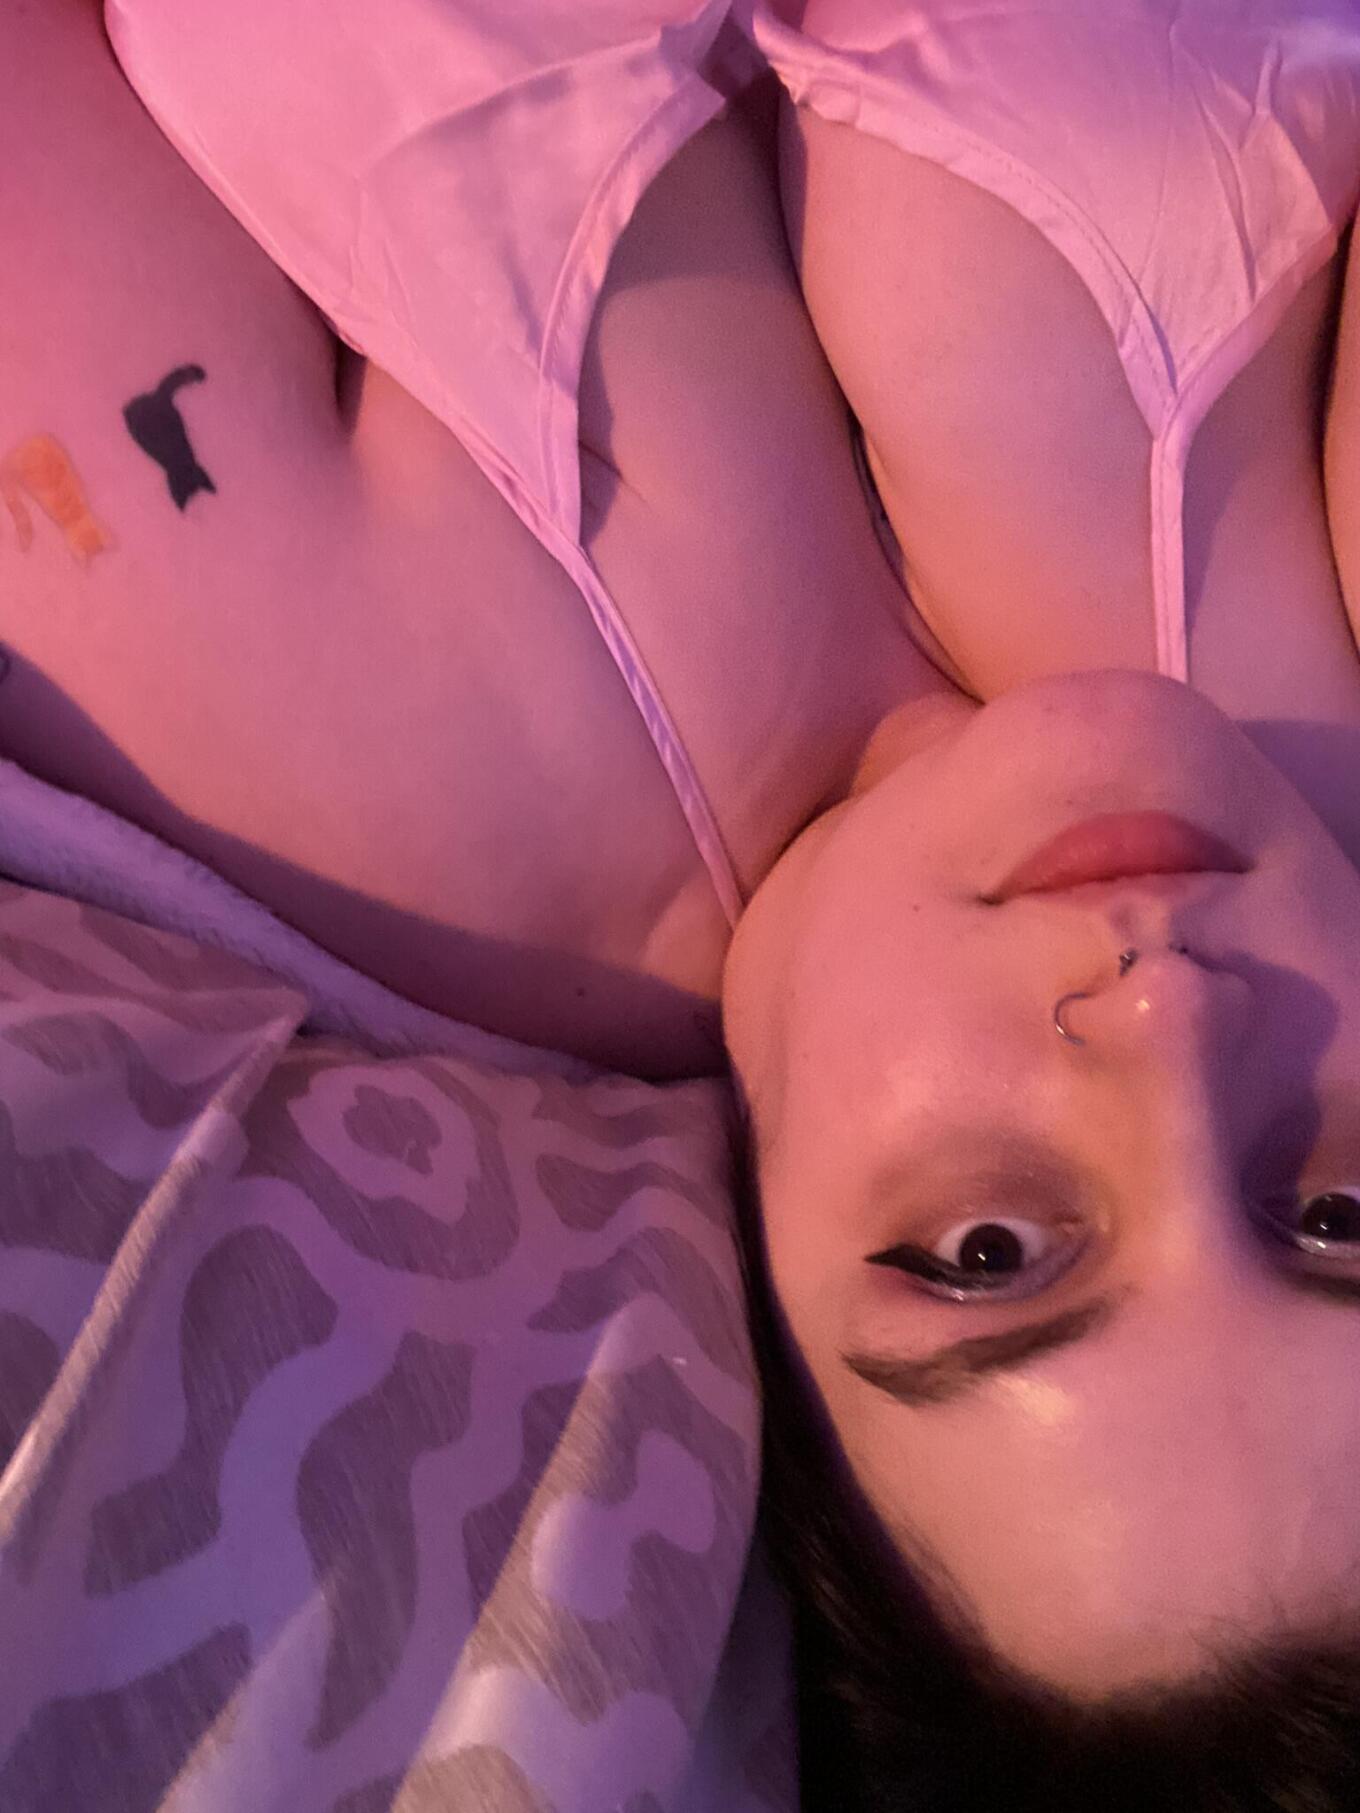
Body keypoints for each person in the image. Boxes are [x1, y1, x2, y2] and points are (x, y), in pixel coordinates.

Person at [8, 0, 1360, 1803]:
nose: (1172, 1014)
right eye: (1341, 1214)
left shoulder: (390, 777)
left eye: (991, 1253)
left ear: (757, 1364)